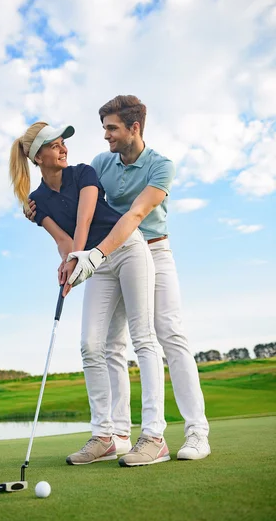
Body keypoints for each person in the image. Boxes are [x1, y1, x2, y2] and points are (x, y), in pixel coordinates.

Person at [39, 95, 211, 461]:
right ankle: (116, 435)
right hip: (110, 257)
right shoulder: (102, 164)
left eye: (112, 128)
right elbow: (76, 197)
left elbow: (134, 215)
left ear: (134, 128)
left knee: (167, 334)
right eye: (104, 129)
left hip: (153, 251)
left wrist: (94, 254)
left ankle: (196, 432)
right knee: (108, 346)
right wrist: (36, 207)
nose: (105, 136)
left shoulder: (161, 165)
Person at [10, 121, 170, 467]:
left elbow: (82, 224)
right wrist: (68, 263)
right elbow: (63, 241)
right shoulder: (37, 201)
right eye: (54, 145)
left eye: (63, 142)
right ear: (38, 157)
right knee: (91, 345)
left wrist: (78, 260)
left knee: (143, 338)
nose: (63, 148)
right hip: (96, 264)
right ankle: (105, 436)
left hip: (125, 249)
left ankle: (155, 436)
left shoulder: (83, 173)